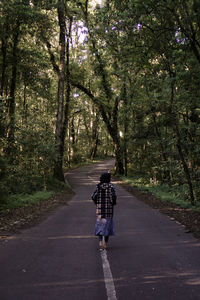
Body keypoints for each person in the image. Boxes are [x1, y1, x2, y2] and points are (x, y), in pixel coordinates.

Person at [91, 172, 117, 250]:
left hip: (100, 210)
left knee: (100, 225)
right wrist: (112, 203)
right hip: (108, 210)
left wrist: (97, 203)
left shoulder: (98, 187)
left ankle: (100, 243)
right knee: (107, 227)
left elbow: (93, 196)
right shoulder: (111, 186)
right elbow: (113, 197)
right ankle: (105, 243)